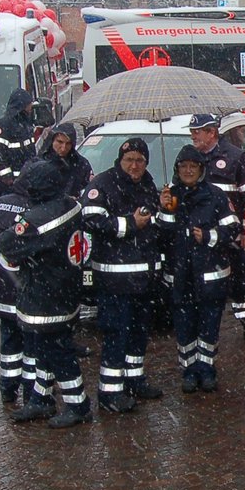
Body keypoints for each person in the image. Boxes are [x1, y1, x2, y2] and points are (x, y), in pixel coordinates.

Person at [3, 160, 92, 429]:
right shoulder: (72, 205)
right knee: (45, 349)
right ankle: (41, 398)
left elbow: (9, 244)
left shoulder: (39, 220)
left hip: (45, 295)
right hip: (65, 289)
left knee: (57, 350)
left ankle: (77, 404)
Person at [81, 137, 161, 412]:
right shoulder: (102, 184)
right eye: (130, 160)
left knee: (139, 333)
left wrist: (164, 207)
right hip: (114, 280)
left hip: (143, 279)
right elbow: (90, 218)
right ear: (120, 160)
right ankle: (110, 393)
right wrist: (128, 224)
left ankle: (134, 379)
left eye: (140, 160)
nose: (135, 165)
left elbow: (155, 223)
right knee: (116, 334)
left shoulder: (149, 184)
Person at [158, 145, 240, 393]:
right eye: (184, 167)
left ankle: (207, 368)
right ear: (177, 169)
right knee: (184, 326)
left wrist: (209, 236)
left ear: (202, 169)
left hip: (210, 274)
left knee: (209, 324)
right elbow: (163, 235)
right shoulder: (169, 196)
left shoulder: (215, 195)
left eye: (193, 167)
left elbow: (233, 227)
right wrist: (165, 209)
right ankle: (189, 370)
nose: (188, 171)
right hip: (181, 275)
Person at [187, 114, 245, 344]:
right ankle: (206, 329)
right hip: (200, 237)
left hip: (229, 235)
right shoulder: (189, 158)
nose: (194, 136)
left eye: (198, 131)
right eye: (192, 132)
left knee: (239, 284)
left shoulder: (234, 157)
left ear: (212, 132)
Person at [0, 170, 29, 407]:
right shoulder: (37, 210)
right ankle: (33, 393)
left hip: (1, 290)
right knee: (31, 344)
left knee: (9, 342)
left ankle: (8, 389)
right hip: (28, 295)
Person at [0, 89, 38, 197]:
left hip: (25, 179)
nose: (31, 107)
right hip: (8, 184)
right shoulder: (4, 125)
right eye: (29, 104)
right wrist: (7, 177)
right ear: (22, 105)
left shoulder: (26, 123)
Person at [39, 122, 92, 199]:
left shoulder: (81, 163)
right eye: (60, 142)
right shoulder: (39, 164)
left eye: (68, 143)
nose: (63, 148)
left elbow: (88, 191)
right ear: (52, 141)